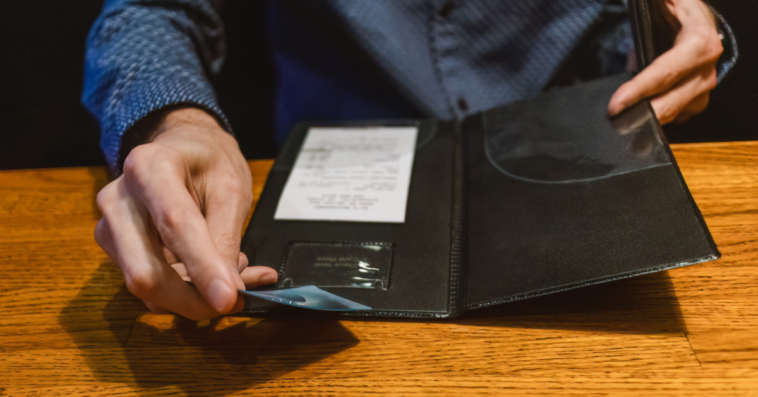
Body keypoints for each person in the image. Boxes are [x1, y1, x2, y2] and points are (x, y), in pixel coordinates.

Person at [83, 0, 735, 320]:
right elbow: (147, 13)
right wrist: (174, 120)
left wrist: (668, 36)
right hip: (324, 201)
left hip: (578, 185)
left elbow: (644, 26)